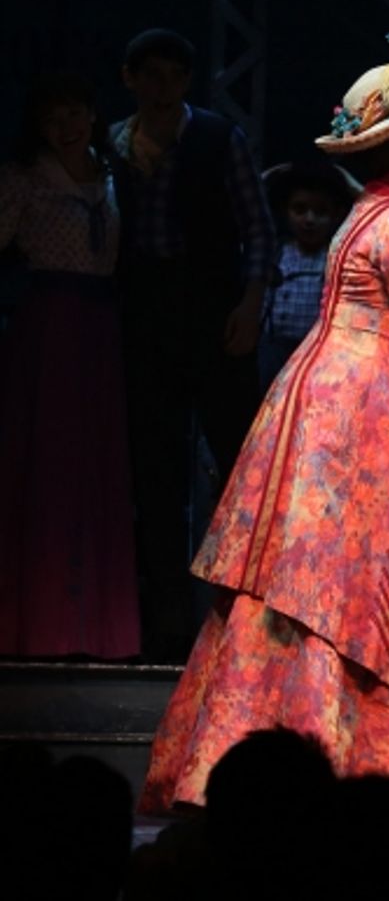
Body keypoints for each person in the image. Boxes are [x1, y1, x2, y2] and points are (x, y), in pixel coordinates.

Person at [138, 37, 389, 815]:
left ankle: (245, 772)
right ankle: (349, 779)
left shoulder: (372, 212)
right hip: (372, 426)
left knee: (311, 586)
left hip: (330, 411)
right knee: (350, 594)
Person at [109, 28, 278, 662]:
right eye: (150, 75)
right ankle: (167, 622)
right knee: (156, 471)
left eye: (174, 76)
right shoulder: (115, 143)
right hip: (145, 315)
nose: (163, 87)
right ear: (130, 78)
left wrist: (251, 304)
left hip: (213, 311)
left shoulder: (215, 137)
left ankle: (243, 615)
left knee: (236, 464)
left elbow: (258, 229)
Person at [0, 71, 140, 658]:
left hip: (99, 328)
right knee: (47, 463)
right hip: (49, 326)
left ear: (92, 115)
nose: (66, 127)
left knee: (95, 468)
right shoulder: (24, 178)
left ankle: (96, 629)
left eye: (75, 113)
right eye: (53, 117)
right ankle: (36, 624)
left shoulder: (110, 175)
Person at [257, 157, 360, 389]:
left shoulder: (338, 257)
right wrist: (277, 173)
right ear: (285, 211)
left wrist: (342, 177)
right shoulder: (274, 252)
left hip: (318, 353)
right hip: (272, 352)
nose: (309, 219)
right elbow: (250, 200)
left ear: (336, 215)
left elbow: (367, 204)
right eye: (300, 209)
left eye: (321, 212)